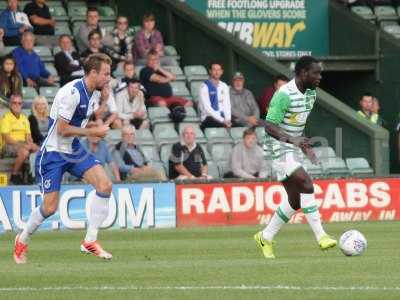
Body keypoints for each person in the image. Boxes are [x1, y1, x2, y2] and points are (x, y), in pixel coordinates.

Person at [13, 53, 115, 264]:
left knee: (105, 185)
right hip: (53, 153)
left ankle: (90, 241)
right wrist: (92, 133)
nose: (109, 77)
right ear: (93, 73)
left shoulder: (93, 92)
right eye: (105, 73)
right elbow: (62, 129)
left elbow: (84, 119)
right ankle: (22, 239)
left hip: (74, 149)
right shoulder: (72, 93)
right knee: (50, 208)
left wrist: (103, 103)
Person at [255, 56, 337, 259]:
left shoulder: (311, 93)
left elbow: (298, 122)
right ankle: (321, 236)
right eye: (316, 73)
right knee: (306, 184)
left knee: (295, 199)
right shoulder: (284, 94)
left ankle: (265, 236)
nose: (320, 76)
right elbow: (269, 126)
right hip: (276, 146)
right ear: (303, 73)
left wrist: (304, 145)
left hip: (291, 145)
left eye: (320, 72)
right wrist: (294, 141)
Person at [0, 94, 38, 185]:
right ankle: (14, 175)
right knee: (24, 152)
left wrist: (30, 143)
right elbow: (7, 138)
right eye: (14, 103)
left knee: (39, 149)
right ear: (10, 104)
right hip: (8, 146)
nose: (17, 105)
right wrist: (23, 144)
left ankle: (31, 175)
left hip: (22, 144)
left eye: (19, 103)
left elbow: (28, 136)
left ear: (22, 105)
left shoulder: (24, 118)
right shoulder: (6, 118)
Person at [199, 62, 231, 130]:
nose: (217, 72)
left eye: (219, 70)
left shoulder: (224, 85)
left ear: (222, 72)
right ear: (210, 71)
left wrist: (228, 119)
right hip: (209, 117)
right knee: (219, 126)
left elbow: (227, 104)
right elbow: (207, 108)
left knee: (238, 125)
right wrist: (222, 120)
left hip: (222, 116)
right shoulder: (204, 86)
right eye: (214, 70)